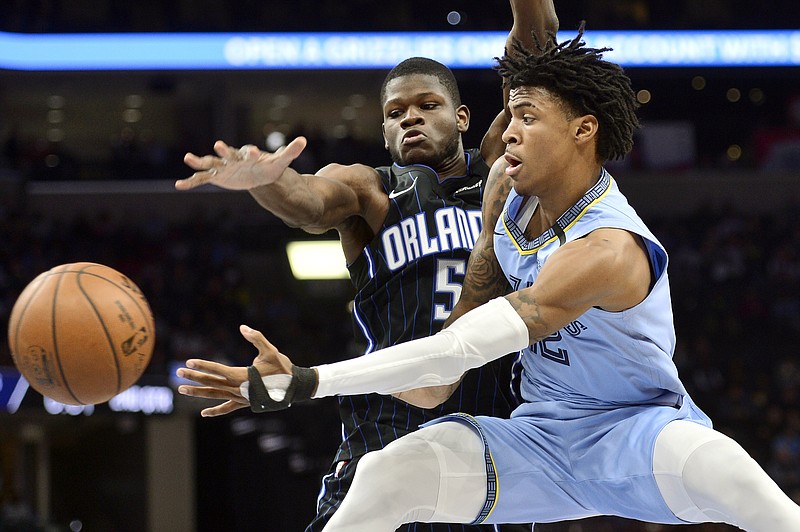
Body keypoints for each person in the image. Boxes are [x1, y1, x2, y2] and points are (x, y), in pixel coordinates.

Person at [177, 26, 800, 531]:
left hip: (639, 433)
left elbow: (456, 349)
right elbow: (432, 377)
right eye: (396, 112)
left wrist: (304, 382)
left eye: (523, 119)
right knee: (383, 477)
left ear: (581, 132)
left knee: (750, 494)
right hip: (532, 437)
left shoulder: (605, 246)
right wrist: (267, 180)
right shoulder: (463, 198)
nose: (511, 133)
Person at [176, 3, 558, 530]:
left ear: (462, 118)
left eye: (428, 105)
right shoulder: (370, 189)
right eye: (396, 113)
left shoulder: (504, 167)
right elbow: (308, 201)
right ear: (384, 132)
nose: (411, 118)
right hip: (385, 436)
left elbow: (537, 66)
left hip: (489, 450)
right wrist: (265, 181)